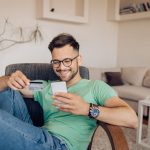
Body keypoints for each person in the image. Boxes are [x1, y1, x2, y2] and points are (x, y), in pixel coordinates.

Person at [0, 33, 138, 150]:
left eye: (67, 61)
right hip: (39, 137)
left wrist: (87, 109)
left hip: (61, 145)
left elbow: (132, 119)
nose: (61, 67)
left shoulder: (96, 87)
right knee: (9, 91)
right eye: (56, 62)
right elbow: (17, 87)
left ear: (79, 60)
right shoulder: (45, 86)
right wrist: (8, 79)